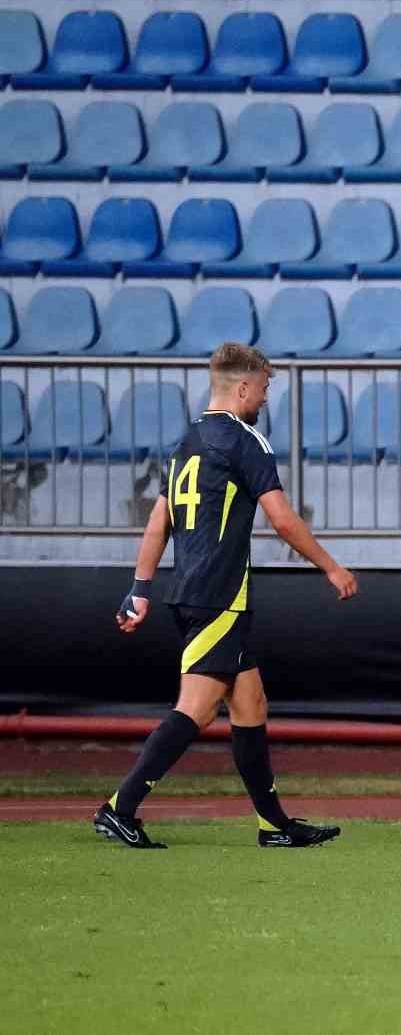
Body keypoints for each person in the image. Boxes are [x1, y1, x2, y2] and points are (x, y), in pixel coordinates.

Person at [96, 342, 357, 850]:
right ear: (242, 388)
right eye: (263, 388)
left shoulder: (188, 442)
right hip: (219, 595)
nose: (264, 397)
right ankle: (119, 808)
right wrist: (332, 566)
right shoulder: (244, 442)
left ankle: (274, 824)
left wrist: (140, 589)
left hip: (192, 590)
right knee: (195, 708)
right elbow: (281, 518)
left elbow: (159, 521)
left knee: (251, 702)